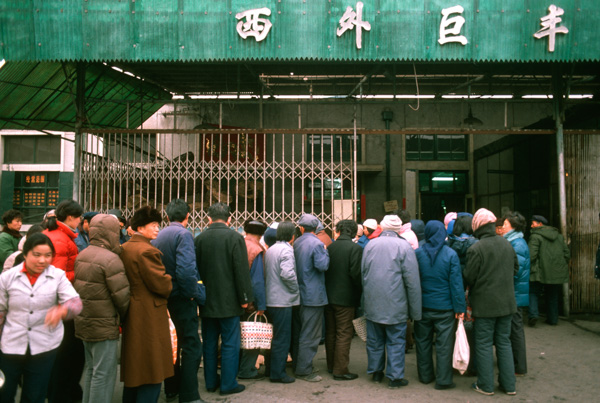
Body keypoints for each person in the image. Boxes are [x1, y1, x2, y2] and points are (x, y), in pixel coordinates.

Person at [0, 233, 82, 403]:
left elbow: (75, 303)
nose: (42, 260)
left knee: (34, 395)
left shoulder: (58, 276)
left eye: (48, 255)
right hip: (11, 345)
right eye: (37, 255)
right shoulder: (7, 278)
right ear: (25, 254)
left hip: (44, 346)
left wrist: (62, 310)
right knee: (5, 393)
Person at [194, 203, 254, 396]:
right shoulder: (235, 238)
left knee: (209, 342)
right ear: (229, 219)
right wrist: (245, 298)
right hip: (230, 302)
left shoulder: (199, 239)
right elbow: (241, 271)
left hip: (207, 301)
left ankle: (210, 382)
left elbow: (195, 270)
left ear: (208, 218)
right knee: (230, 343)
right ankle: (228, 383)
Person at [152, 199, 205, 403]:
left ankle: (171, 388)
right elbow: (186, 270)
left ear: (166, 216)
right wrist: (192, 293)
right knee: (191, 345)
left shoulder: (160, 235)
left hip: (166, 297)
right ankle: (189, 395)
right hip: (182, 297)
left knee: (172, 344)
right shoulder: (184, 234)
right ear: (188, 217)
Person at [73, 214, 130, 403]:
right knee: (104, 375)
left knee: (91, 370)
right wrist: (124, 317)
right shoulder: (111, 259)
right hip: (104, 325)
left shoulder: (83, 254)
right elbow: (122, 297)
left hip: (84, 322)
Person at [120, 206, 174, 402]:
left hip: (132, 308)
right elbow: (161, 284)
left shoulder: (125, 248)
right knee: (153, 365)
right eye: (153, 225)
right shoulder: (147, 251)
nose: (157, 229)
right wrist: (168, 279)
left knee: (135, 363)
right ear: (140, 228)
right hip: (150, 311)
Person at [361, 214, 421, 389]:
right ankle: (394, 378)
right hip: (397, 303)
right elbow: (412, 281)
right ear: (398, 228)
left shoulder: (370, 245)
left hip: (373, 302)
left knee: (375, 340)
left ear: (382, 227)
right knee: (396, 340)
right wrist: (415, 311)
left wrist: (364, 301)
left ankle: (376, 372)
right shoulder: (404, 246)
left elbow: (363, 274)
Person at [464, 208, 518, 396]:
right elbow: (516, 269)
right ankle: (509, 385)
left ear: (477, 228)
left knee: (484, 343)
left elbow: (469, 277)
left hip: (485, 305)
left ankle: (486, 385)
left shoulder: (476, 248)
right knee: (504, 342)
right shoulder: (507, 245)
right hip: (507, 303)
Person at [414, 220, 465, 390]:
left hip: (423, 307)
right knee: (444, 345)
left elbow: (414, 282)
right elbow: (456, 285)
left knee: (423, 342)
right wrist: (460, 308)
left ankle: (425, 376)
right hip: (445, 308)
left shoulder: (418, 253)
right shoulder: (451, 254)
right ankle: (443, 380)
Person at [44, 199, 85, 403]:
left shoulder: (56, 235)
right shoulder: (61, 239)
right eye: (79, 217)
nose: (80, 221)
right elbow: (55, 276)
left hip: (54, 305)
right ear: (71, 217)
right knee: (67, 355)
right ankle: (61, 395)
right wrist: (75, 274)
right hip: (58, 306)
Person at [292, 213, 330, 382]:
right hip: (313, 296)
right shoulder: (317, 244)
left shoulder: (297, 242)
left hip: (299, 294)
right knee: (311, 334)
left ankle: (300, 364)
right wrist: (326, 253)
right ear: (316, 228)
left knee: (301, 332)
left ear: (301, 228)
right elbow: (322, 266)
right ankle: (304, 369)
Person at [324, 219, 362, 381]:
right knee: (344, 333)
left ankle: (331, 365)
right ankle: (340, 370)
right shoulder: (355, 248)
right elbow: (356, 274)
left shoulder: (330, 247)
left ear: (339, 230)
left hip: (328, 296)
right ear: (353, 232)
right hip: (346, 298)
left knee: (331, 332)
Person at [263, 221, 299, 384]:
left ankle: (270, 369)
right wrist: (295, 290)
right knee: (282, 338)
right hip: (282, 301)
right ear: (292, 236)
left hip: (271, 299)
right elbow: (287, 274)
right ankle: (278, 373)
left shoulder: (271, 249)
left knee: (274, 337)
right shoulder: (286, 250)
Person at [238, 219, 268, 381]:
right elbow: (257, 281)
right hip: (250, 302)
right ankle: (247, 369)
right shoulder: (256, 249)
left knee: (237, 336)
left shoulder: (238, 244)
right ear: (261, 233)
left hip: (235, 299)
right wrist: (261, 305)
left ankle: (236, 367)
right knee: (252, 335)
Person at [501, 211, 530, 376]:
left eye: (505, 224)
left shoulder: (517, 244)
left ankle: (519, 366)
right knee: (514, 328)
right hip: (515, 292)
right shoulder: (514, 241)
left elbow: (515, 270)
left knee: (516, 329)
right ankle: (516, 363)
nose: (502, 227)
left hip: (515, 293)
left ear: (512, 226)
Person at [528, 215, 570, 327]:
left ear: (540, 224)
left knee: (533, 291)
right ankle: (553, 319)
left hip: (539, 271)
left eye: (533, 223)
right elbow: (567, 254)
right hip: (555, 271)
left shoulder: (535, 236)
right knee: (552, 294)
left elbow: (531, 256)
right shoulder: (559, 237)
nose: (531, 226)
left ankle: (533, 315)